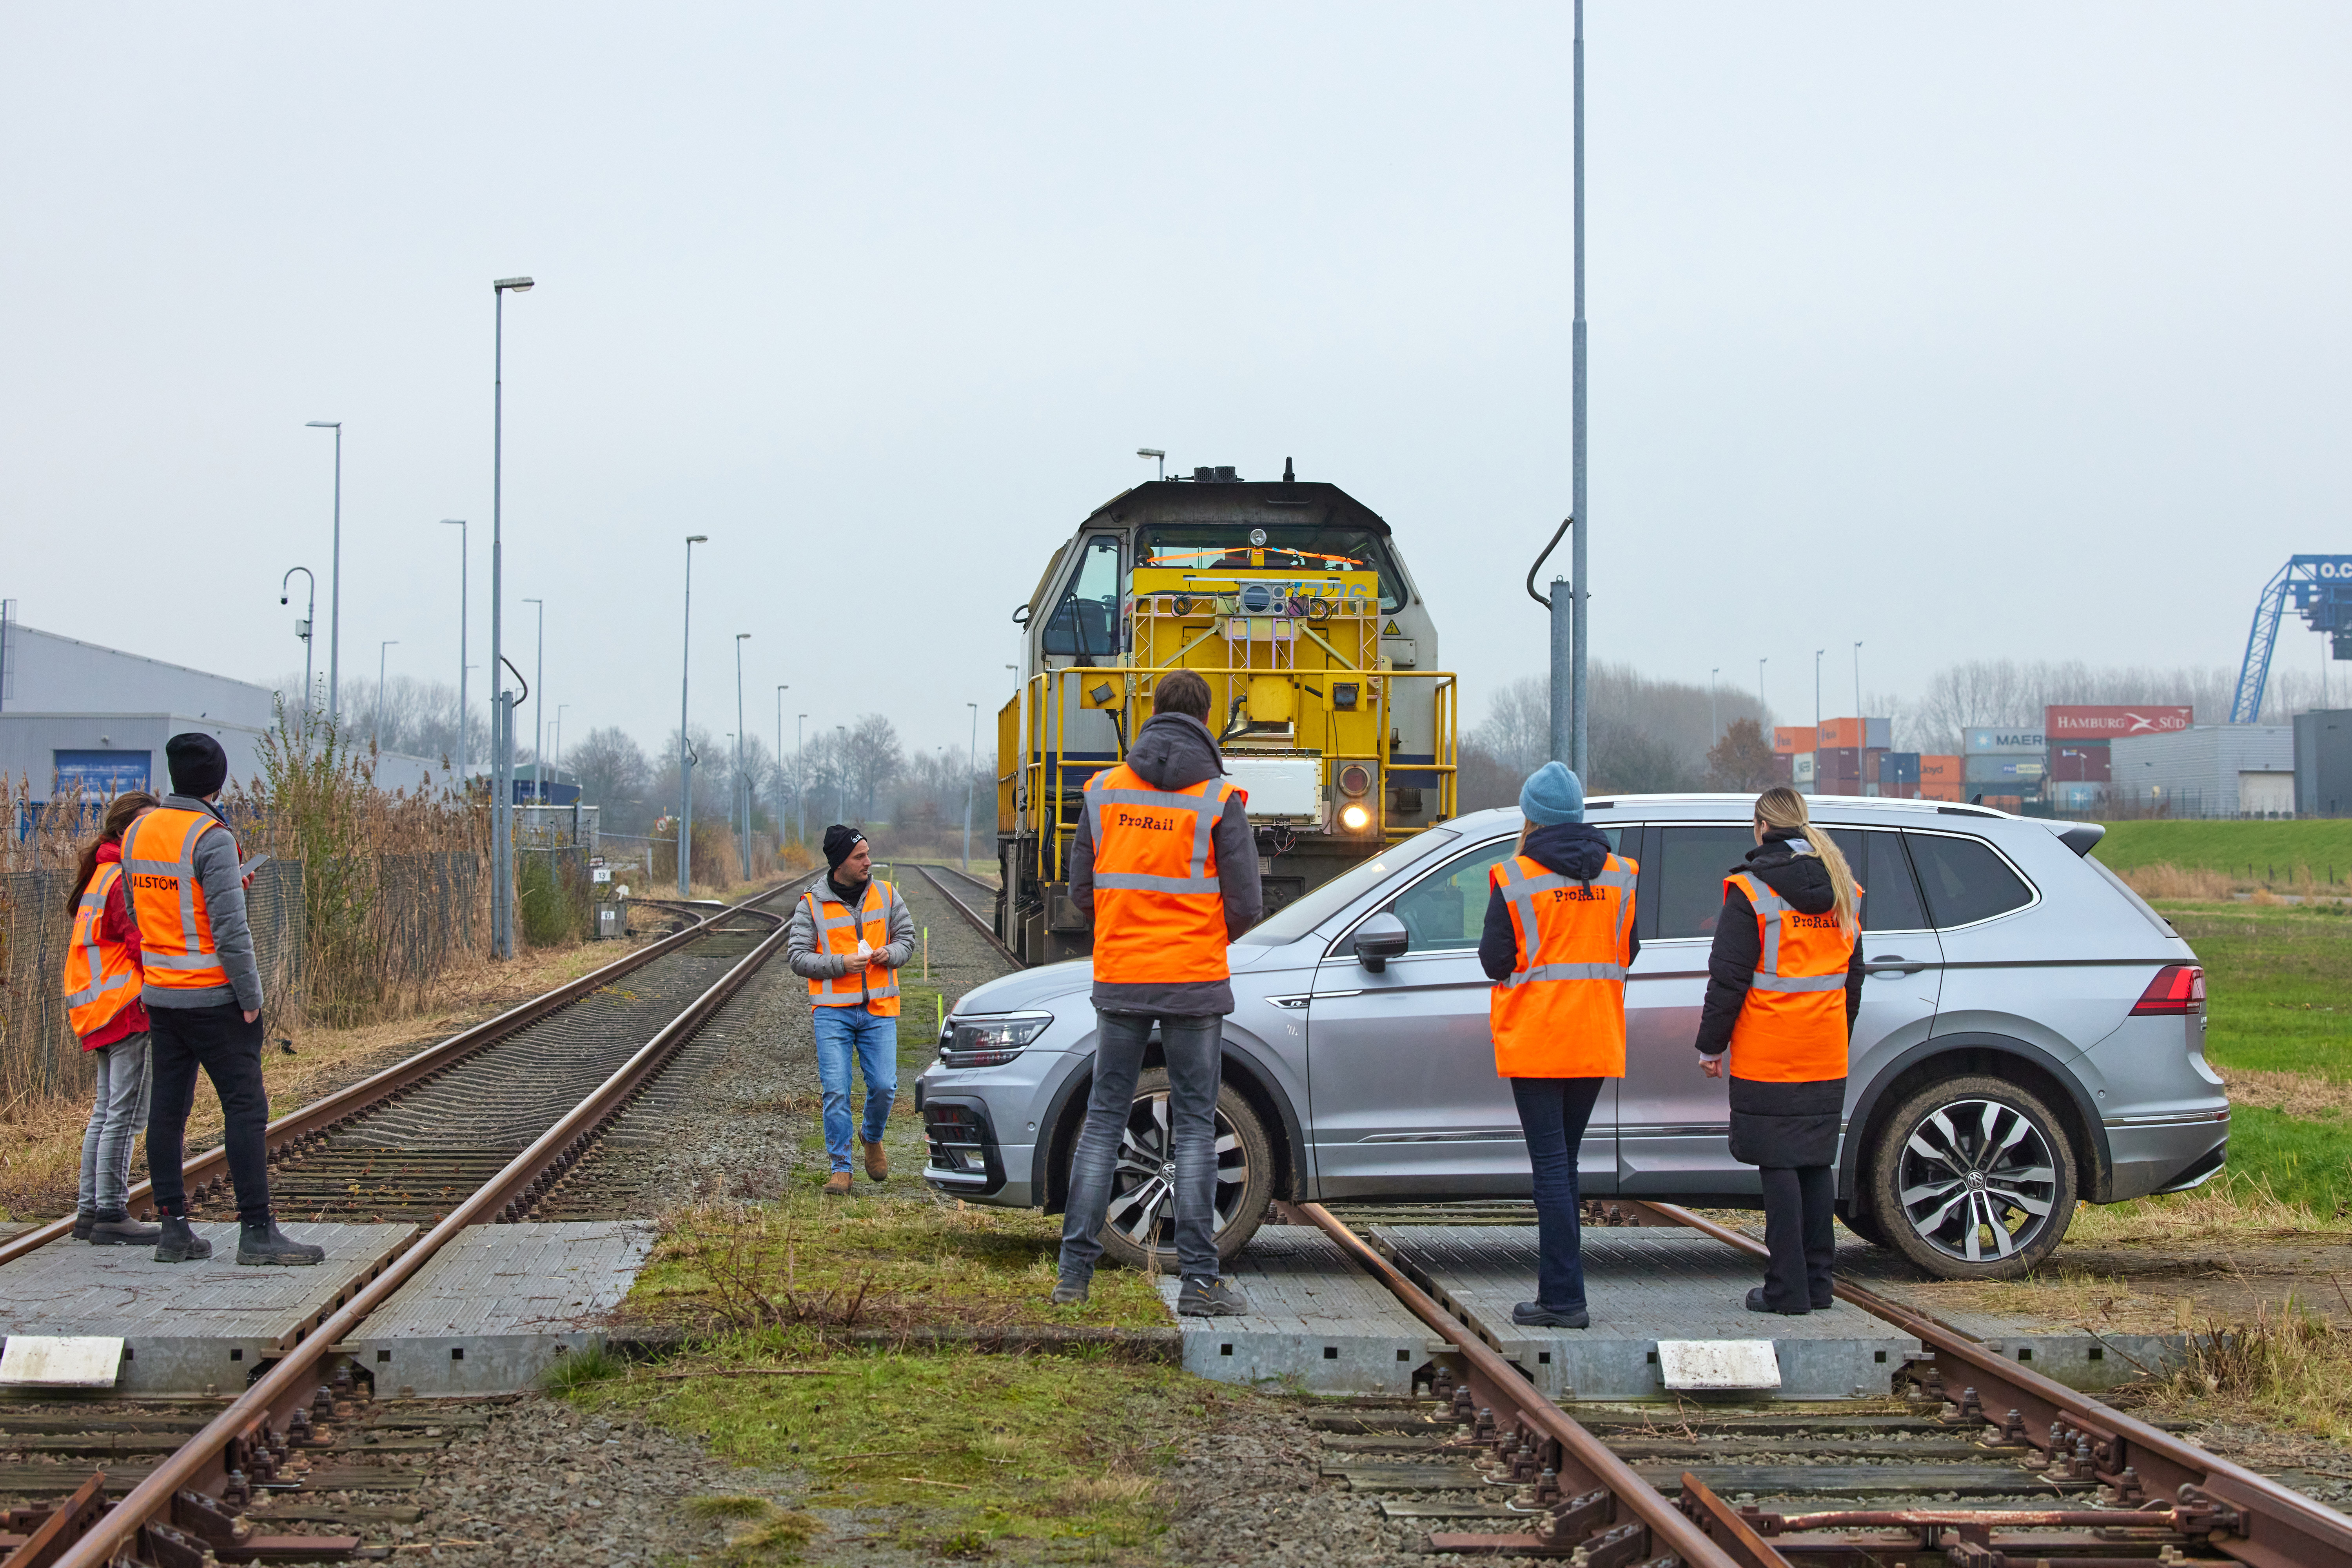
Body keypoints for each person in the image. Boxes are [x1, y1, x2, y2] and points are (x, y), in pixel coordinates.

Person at [1053, 667, 1262, 1316]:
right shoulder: (1218, 798)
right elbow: (1248, 905)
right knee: (1197, 1127)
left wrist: (1126, 930)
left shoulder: (1104, 793)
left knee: (1102, 1124)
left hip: (1120, 978)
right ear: (1205, 718)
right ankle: (1200, 1284)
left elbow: (1082, 894)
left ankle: (1073, 1281)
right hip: (1193, 983)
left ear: (1152, 713)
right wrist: (1196, 937)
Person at [124, 733, 323, 1266]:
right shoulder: (211, 836)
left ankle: (173, 1231)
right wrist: (251, 997)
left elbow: (140, 908)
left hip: (163, 996)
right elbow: (231, 932)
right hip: (214, 997)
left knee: (167, 1111)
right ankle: (257, 1232)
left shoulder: (139, 831)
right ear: (218, 780)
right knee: (246, 1108)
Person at [1692, 786, 1865, 1315]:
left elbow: (1729, 978)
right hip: (1825, 1049)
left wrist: (1710, 1045)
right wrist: (1838, 1030)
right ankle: (1818, 1284)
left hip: (1770, 1052)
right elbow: (1853, 979)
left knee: (1778, 1167)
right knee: (1814, 1164)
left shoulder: (1751, 891)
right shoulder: (1844, 887)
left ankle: (1785, 1289)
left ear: (1761, 827)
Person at [1477, 761, 1637, 1330]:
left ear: (1531, 818)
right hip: (1595, 1038)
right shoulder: (1619, 874)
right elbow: (1629, 950)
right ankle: (1561, 1291)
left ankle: (1564, 1299)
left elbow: (1495, 959)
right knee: (1563, 1165)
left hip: (1539, 1039)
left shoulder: (1514, 877)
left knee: (1550, 1168)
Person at [787, 826, 914, 1197]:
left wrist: (890, 954)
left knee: (884, 1086)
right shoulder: (811, 902)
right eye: (860, 856)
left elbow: (907, 941)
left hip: (879, 1009)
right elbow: (797, 958)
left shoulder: (887, 894)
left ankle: (871, 1138)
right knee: (837, 1092)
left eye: (868, 854)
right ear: (840, 862)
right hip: (832, 1013)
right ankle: (841, 1169)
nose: (868, 862)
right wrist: (842, 963)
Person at [64, 790, 163, 1247]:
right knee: (124, 1115)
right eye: (145, 824)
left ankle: (89, 1213)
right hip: (126, 1006)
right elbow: (138, 941)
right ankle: (110, 1211)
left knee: (105, 1113)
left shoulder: (100, 874)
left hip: (98, 1010)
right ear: (126, 830)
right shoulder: (123, 878)